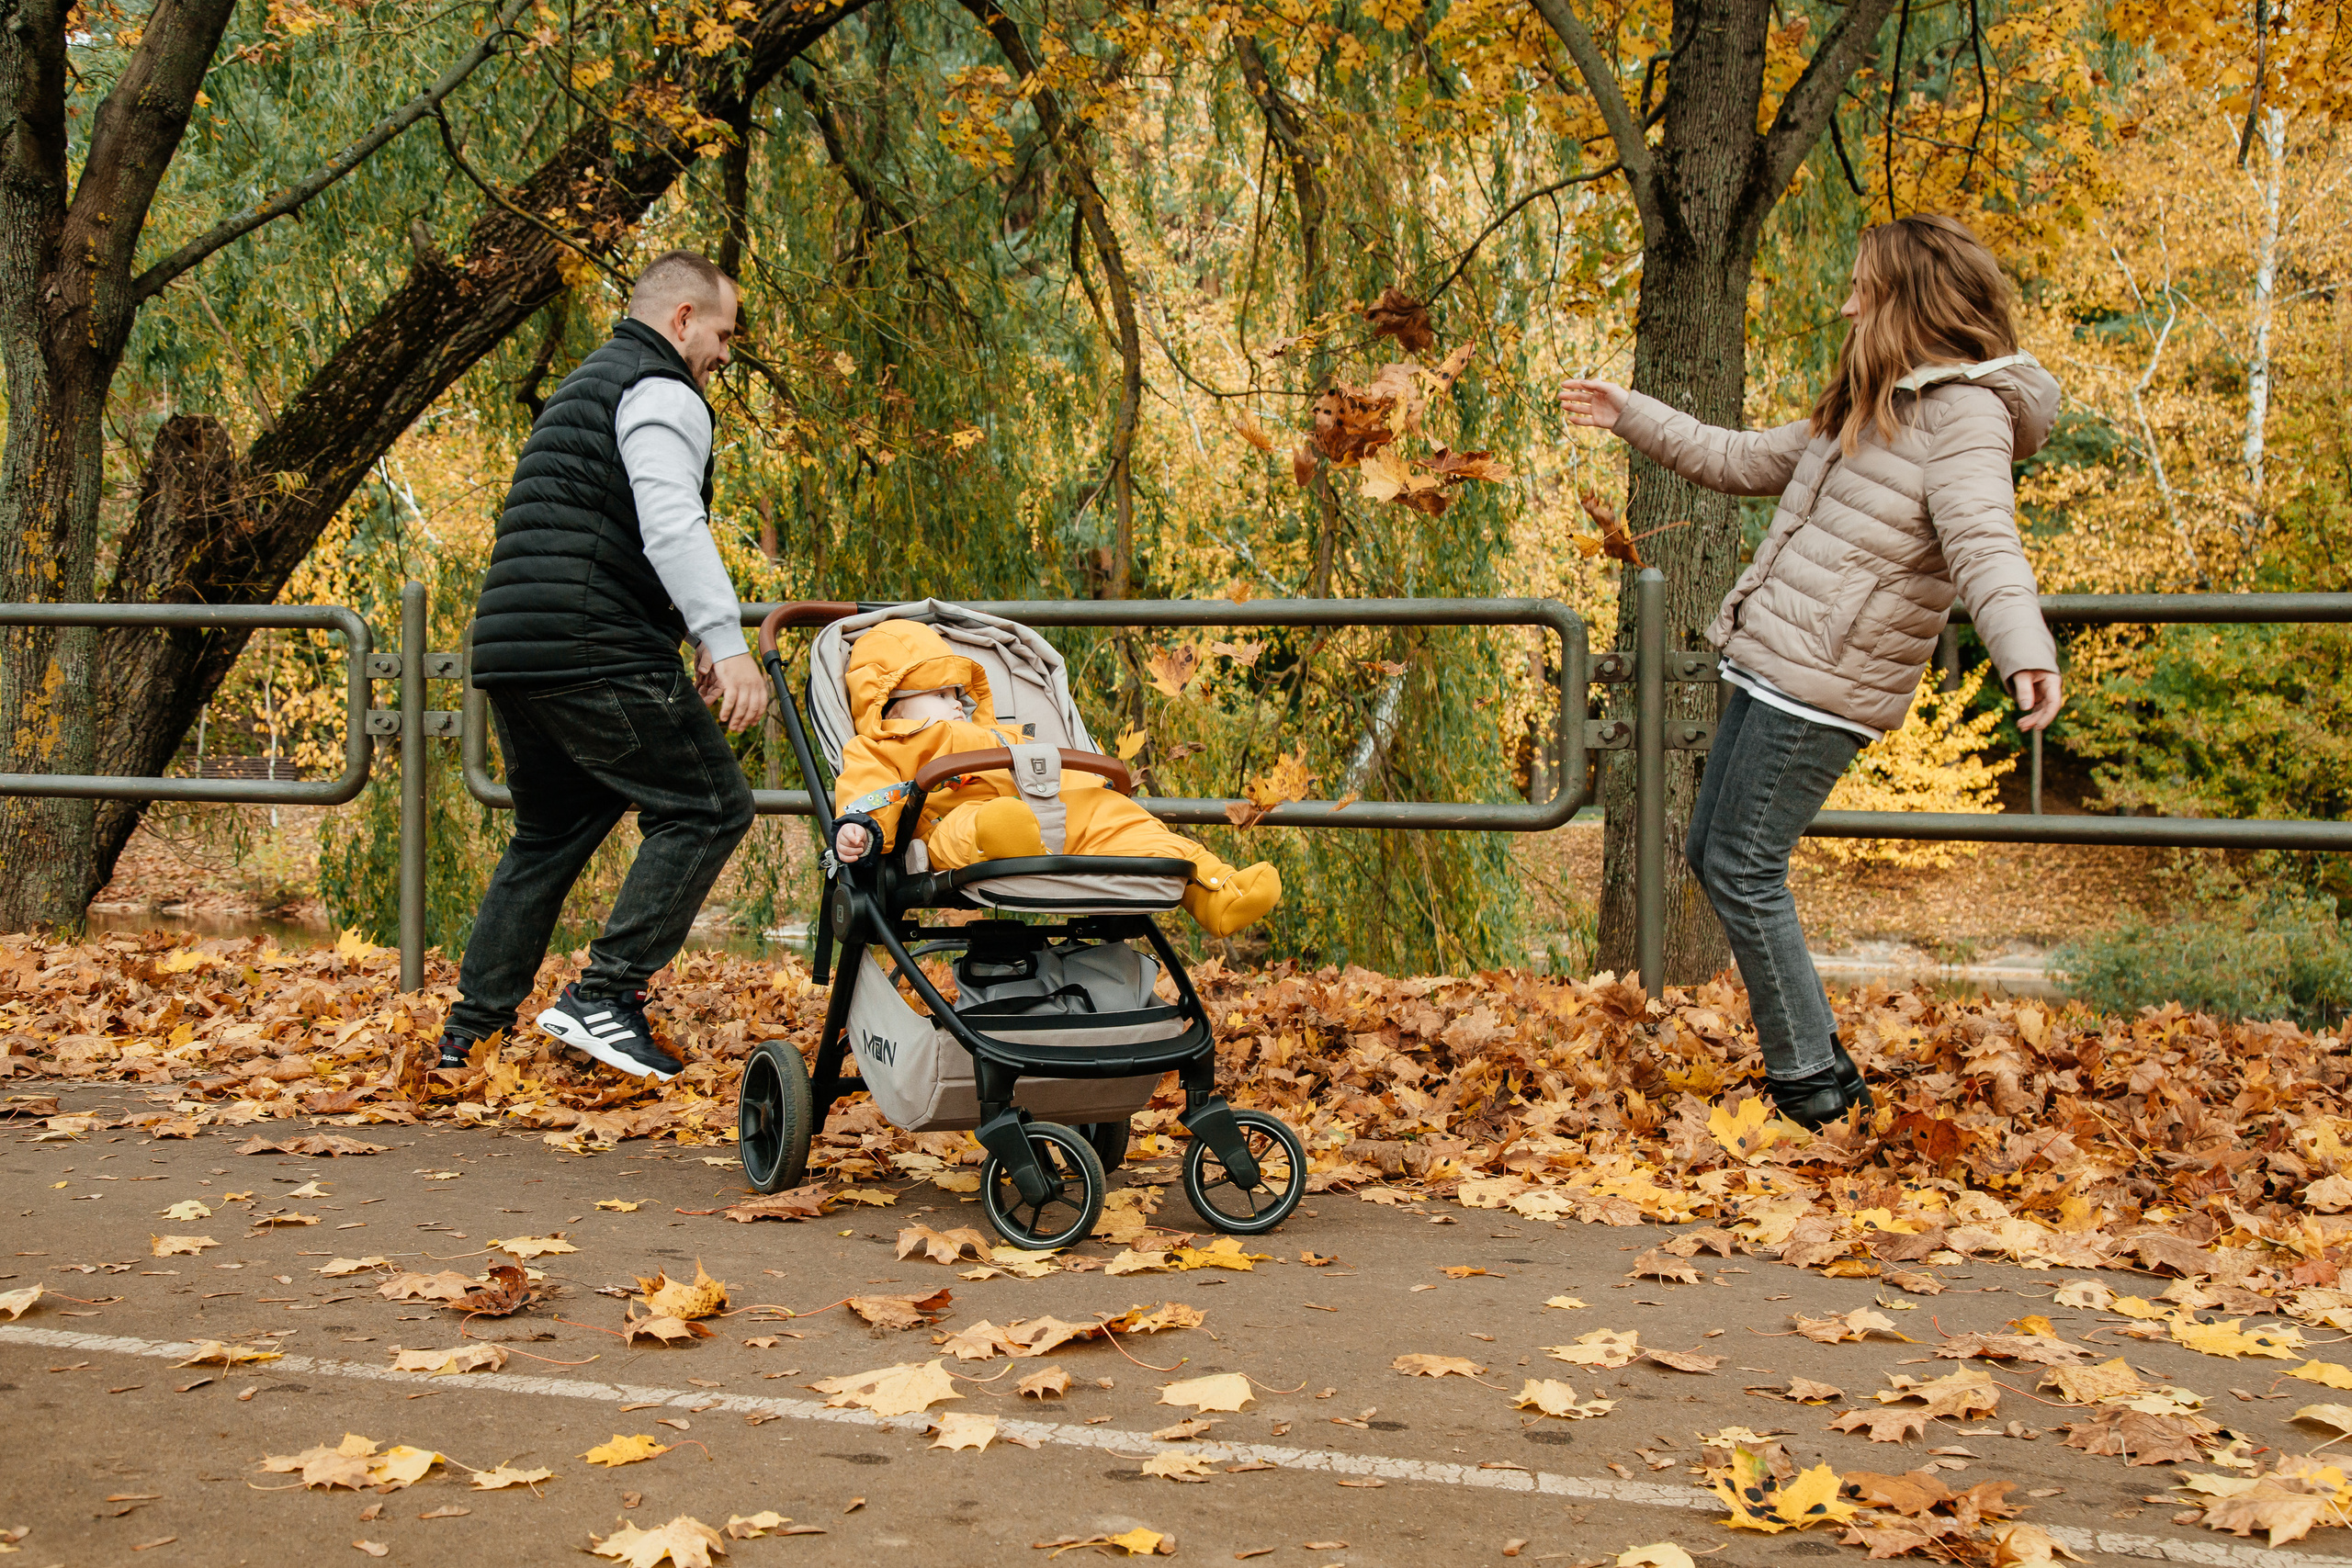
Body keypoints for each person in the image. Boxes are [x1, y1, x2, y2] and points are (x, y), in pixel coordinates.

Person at [1559, 213, 2064, 1130]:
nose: (1846, 304)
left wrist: (2024, 652)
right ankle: (1815, 1060)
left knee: (1743, 865)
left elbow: (1985, 543)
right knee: (1715, 855)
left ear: (1908, 300)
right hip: (1775, 660)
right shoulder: (1872, 403)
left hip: (1826, 677)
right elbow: (1736, 456)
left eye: (1862, 289)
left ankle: (1813, 1090)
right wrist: (1626, 412)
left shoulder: (1963, 417)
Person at [439, 250, 768, 1081]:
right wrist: (725, 641)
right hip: (591, 644)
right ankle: (607, 996)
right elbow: (670, 522)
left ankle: (469, 1039)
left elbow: (595, 524)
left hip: (520, 648)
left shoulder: (588, 383)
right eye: (722, 334)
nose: (725, 355)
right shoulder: (661, 390)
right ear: (684, 319)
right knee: (710, 804)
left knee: (548, 836)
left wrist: (684, 634)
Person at [830, 620, 1283, 936]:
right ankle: (1012, 842)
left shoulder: (997, 734)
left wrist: (1091, 787)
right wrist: (860, 830)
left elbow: (1049, 768)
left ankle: (1215, 889)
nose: (955, 704)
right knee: (981, 825)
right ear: (891, 704)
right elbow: (867, 794)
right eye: (940, 694)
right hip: (950, 825)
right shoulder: (877, 748)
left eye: (958, 693)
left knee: (1122, 817)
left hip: (1043, 806)